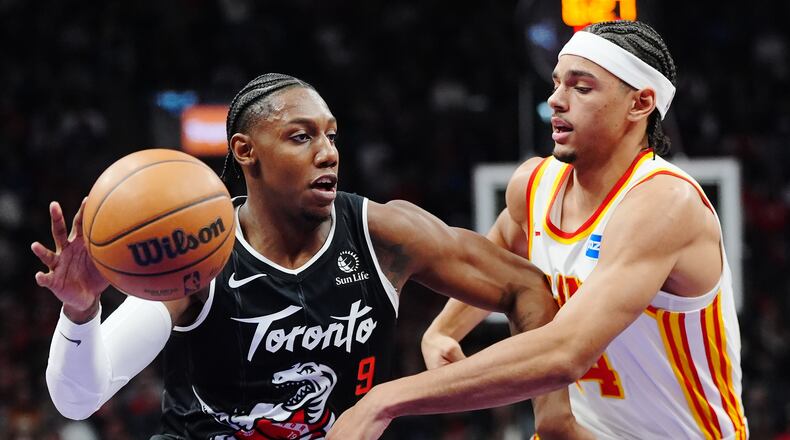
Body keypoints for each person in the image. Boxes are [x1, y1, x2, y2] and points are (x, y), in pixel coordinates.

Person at [34, 73, 588, 439]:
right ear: (245, 152)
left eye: (331, 136)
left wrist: (553, 418)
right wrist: (81, 310)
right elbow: (78, 400)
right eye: (301, 138)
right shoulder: (198, 255)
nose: (327, 153)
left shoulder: (384, 234)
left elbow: (527, 287)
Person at [328, 20, 748, 440]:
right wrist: (443, 330)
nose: (556, 100)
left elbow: (566, 353)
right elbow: (494, 267)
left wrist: (386, 399)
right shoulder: (534, 184)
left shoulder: (664, 205)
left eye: (581, 88)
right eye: (557, 84)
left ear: (639, 104)